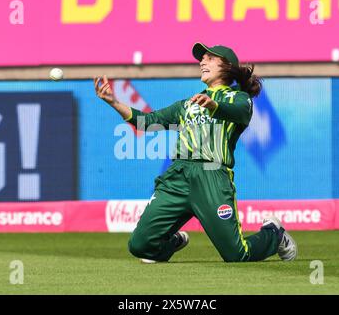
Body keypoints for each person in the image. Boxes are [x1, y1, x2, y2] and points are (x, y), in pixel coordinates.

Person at [94, 43, 297, 263]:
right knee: (140, 246)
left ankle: (274, 234)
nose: (202, 62)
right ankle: (171, 241)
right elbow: (147, 122)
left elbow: (239, 112)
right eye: (202, 59)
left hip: (212, 178)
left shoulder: (240, 99)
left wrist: (214, 105)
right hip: (178, 178)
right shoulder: (189, 104)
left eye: (210, 58)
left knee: (236, 255)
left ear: (227, 66)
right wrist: (113, 101)